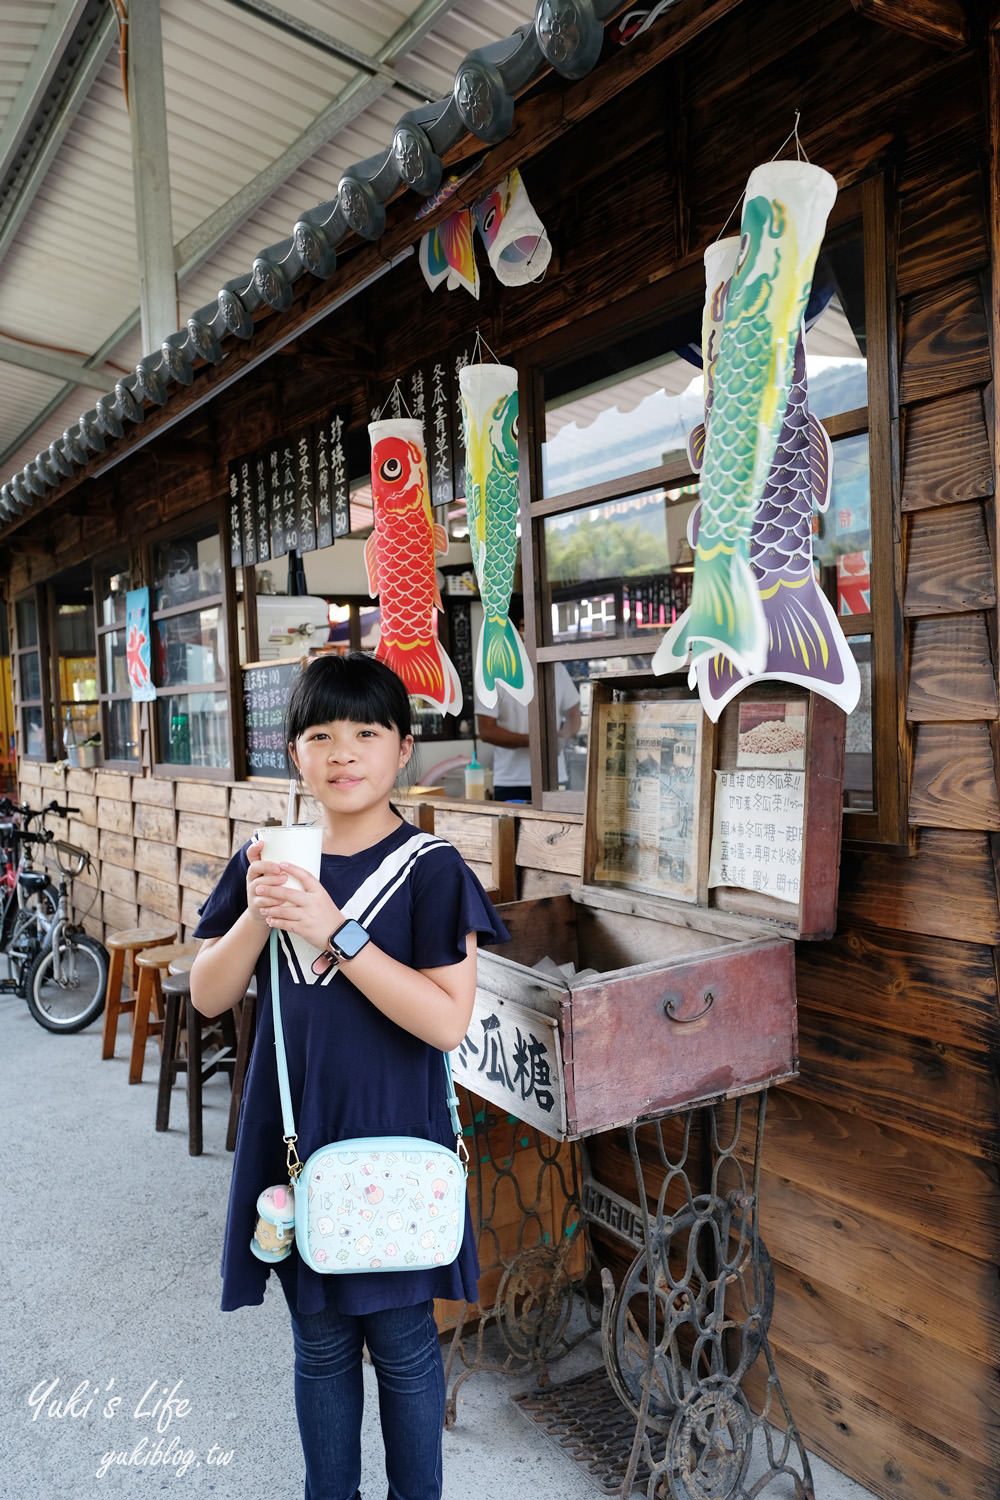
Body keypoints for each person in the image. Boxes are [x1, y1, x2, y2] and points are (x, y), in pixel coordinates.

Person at [190, 652, 508, 1500]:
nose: (343, 751)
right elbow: (210, 995)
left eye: (366, 731)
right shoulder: (266, 860)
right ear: (293, 752)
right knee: (320, 1342)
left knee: (404, 1345)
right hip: (297, 1139)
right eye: (320, 733)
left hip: (396, 1137)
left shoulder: (432, 869)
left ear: (403, 748)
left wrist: (337, 929)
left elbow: (445, 1020)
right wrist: (262, 913)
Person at [474, 594, 581, 801]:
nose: (530, 633)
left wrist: (563, 736)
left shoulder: (554, 668)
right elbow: (486, 731)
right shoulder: (494, 673)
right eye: (523, 626)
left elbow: (574, 713)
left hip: (555, 775)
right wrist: (537, 741)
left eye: (535, 626)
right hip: (512, 781)